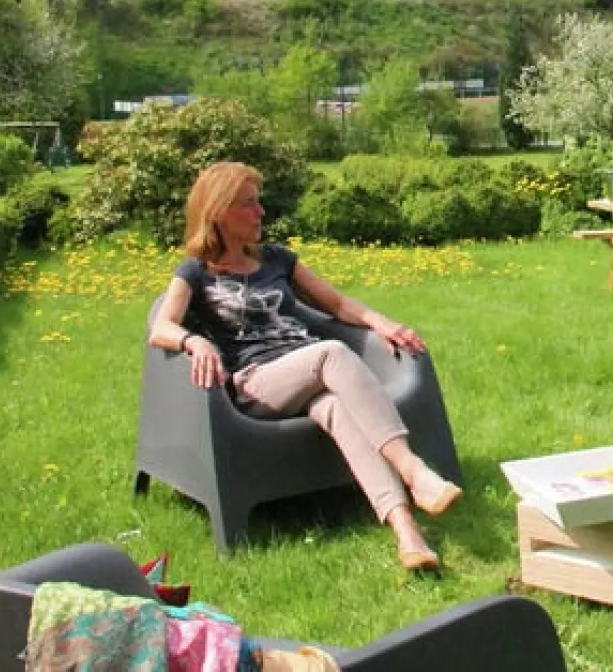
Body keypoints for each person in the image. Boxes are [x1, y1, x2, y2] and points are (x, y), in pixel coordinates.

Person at [149, 160, 461, 570]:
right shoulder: (196, 271)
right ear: (220, 212)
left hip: (309, 376)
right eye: (249, 204)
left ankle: (408, 534)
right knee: (329, 352)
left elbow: (335, 303)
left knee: (337, 410)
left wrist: (379, 322)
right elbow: (161, 327)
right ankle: (412, 469)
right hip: (256, 383)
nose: (261, 212)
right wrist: (195, 340)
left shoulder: (277, 259)